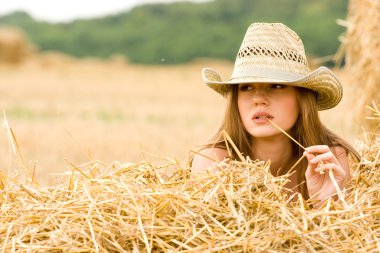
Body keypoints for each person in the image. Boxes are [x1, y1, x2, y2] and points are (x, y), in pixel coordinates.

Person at [191, 22, 360, 204]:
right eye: (246, 87)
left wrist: (324, 205)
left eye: (277, 85)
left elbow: (341, 230)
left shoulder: (330, 159)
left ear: (302, 97)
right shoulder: (213, 160)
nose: (258, 98)